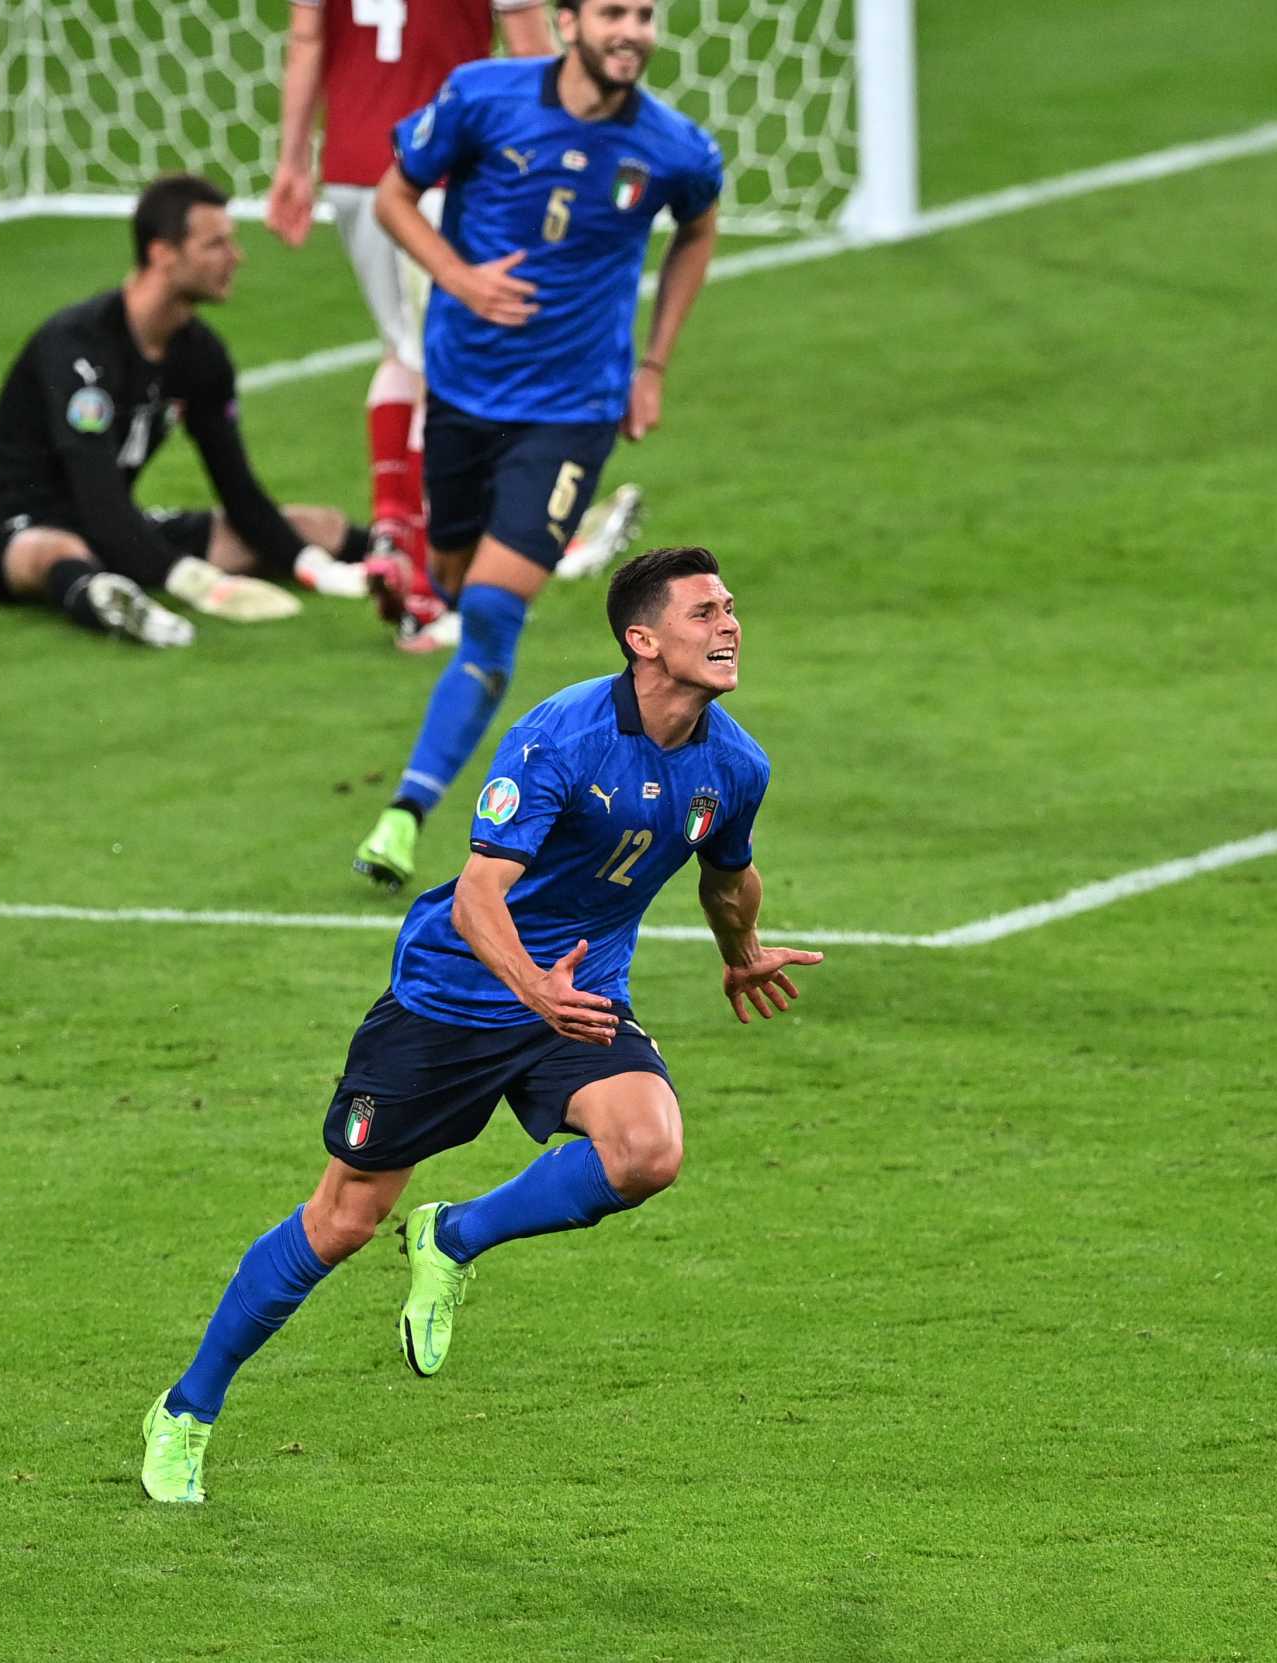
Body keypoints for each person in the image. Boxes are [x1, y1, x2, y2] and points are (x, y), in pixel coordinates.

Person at [140, 546, 823, 1504]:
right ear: (643, 639)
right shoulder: (561, 738)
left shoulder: (734, 763)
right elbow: (476, 898)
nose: (729, 624)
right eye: (704, 611)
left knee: (647, 1150)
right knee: (341, 1221)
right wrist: (532, 990)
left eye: (731, 606)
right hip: (455, 997)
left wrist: (741, 947)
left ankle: (455, 1237)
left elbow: (726, 871)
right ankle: (187, 1410)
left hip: (576, 997)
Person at [351, 0, 722, 882]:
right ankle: (562, 548)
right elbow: (393, 195)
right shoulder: (483, 97)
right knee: (447, 580)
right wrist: (457, 278)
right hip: (464, 392)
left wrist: (654, 364)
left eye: (645, 15)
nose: (631, 31)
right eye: (613, 13)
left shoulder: (675, 147)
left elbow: (698, 228)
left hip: (573, 408)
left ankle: (405, 812)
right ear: (566, 24)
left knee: (486, 610)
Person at [0, 173, 380, 648]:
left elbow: (238, 489)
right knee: (51, 553)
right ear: (162, 254)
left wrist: (313, 567)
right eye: (216, 245)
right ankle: (103, 601)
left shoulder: (201, 355)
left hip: (122, 523)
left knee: (316, 526)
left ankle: (411, 558)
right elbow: (96, 493)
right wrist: (193, 581)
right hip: (34, 526)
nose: (236, 257)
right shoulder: (78, 347)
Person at [263, 0, 554, 640]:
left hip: (354, 168)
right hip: (442, 169)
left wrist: (292, 161)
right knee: (449, 369)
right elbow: (533, 47)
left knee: (404, 351)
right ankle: (429, 594)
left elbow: (307, 39)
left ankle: (394, 535)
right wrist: (558, 160)